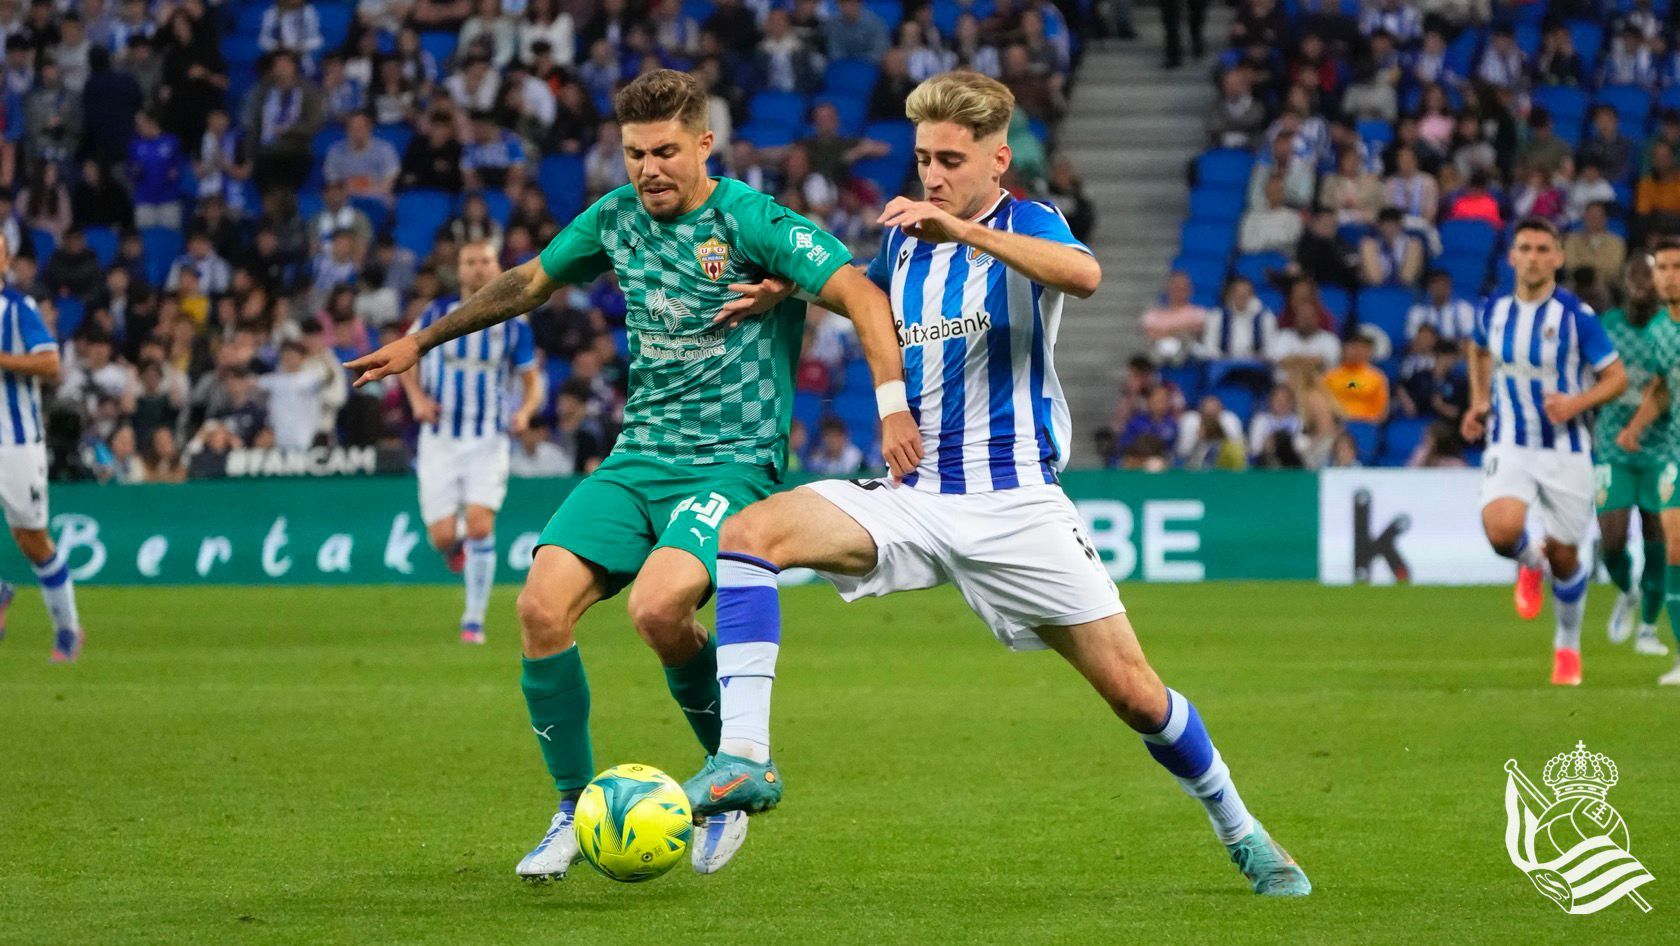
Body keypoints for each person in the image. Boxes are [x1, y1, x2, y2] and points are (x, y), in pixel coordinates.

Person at [681, 70, 1311, 897]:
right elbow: (878, 305)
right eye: (922, 159)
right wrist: (790, 291)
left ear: (997, 161)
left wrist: (960, 228)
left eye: (949, 160)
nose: (932, 176)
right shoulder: (906, 240)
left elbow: (1082, 278)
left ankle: (1243, 829)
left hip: (1017, 505)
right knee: (747, 537)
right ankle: (745, 760)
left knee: (1135, 696)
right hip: (916, 494)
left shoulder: (1027, 221)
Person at [345, 69, 919, 882]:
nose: (648, 168)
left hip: (732, 461)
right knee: (540, 608)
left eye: (665, 151)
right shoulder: (614, 219)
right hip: (637, 458)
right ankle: (574, 808)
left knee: (657, 609)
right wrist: (422, 342)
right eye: (634, 153)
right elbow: (527, 283)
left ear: (704, 145)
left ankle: (730, 774)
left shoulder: (752, 220)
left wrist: (890, 404)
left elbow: (861, 293)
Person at [1461, 217, 1628, 686]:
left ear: (1558, 257)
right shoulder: (1494, 309)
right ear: (1512, 256)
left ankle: (1567, 647)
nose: (1533, 257)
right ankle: (1528, 563)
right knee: (1501, 531)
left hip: (1568, 451)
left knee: (1566, 556)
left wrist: (1576, 402)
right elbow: (1476, 350)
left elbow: (1617, 377)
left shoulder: (1576, 316)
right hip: (1510, 441)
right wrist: (1479, 400)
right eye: (1525, 248)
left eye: (1542, 249)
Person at [395, 240, 541, 644]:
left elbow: (532, 382)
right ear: (459, 269)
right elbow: (405, 356)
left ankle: (473, 620)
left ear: (497, 268)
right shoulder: (436, 314)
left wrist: (525, 411)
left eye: (485, 261)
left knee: (479, 526)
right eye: (470, 262)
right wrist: (417, 399)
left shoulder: (514, 324)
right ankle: (454, 549)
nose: (478, 269)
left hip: (487, 438)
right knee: (442, 536)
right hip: (439, 438)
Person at [0, 234, 83, 661]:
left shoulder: (16, 309)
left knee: (32, 539)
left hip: (14, 442)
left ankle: (68, 629)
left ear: (5, 260)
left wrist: (2, 359)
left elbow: (50, 363)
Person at [1591, 252, 1671, 657]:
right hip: (1611, 446)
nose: (1643, 284)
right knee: (1612, 541)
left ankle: (1649, 630)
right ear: (1625, 282)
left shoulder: (1669, 330)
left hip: (1660, 447)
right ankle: (1627, 591)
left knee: (1659, 539)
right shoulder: (1605, 328)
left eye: (1650, 276)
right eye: (1635, 277)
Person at [1617, 238, 1680, 685]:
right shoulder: (1659, 328)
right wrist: (1635, 426)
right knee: (1675, 546)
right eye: (1662, 267)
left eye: (1678, 267)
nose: (1669, 275)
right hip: (1676, 448)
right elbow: (1662, 387)